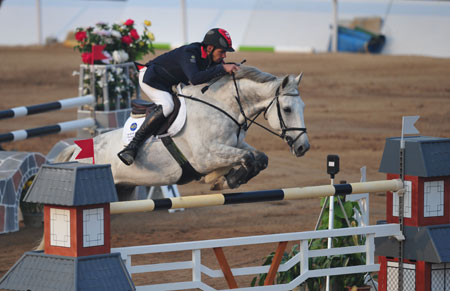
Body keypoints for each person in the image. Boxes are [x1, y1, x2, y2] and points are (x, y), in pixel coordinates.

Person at [118, 28, 240, 166]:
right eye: (222, 52)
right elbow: (194, 79)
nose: (224, 56)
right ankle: (132, 147)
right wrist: (223, 69)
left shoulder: (211, 57)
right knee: (167, 105)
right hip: (151, 79)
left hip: (169, 83)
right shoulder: (190, 53)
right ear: (210, 48)